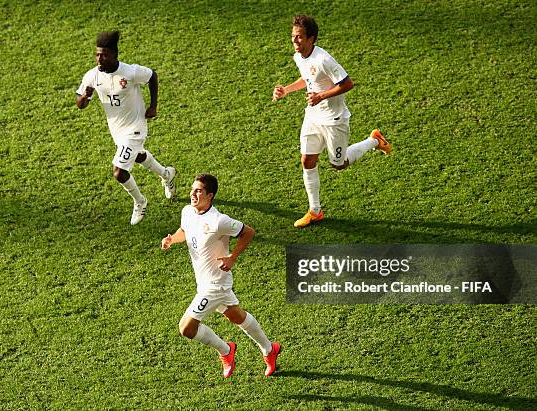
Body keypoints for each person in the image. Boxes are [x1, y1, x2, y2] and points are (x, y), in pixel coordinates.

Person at [273, 15, 391, 228]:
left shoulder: (324, 59)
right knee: (307, 160)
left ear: (312, 39)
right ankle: (315, 211)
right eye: (293, 37)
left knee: (339, 164)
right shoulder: (299, 57)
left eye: (300, 37)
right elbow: (308, 79)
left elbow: (347, 84)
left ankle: (374, 140)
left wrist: (321, 96)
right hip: (313, 117)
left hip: (334, 120)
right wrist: (286, 90)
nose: (295, 42)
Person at [161, 173, 281, 378]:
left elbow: (248, 232)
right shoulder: (188, 212)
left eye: (199, 191)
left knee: (186, 328)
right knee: (237, 316)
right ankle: (270, 349)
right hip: (205, 282)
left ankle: (226, 350)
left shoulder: (219, 221)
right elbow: (185, 230)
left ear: (210, 196)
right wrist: (172, 239)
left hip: (214, 285)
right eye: (192, 189)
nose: (193, 194)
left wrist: (233, 257)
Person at [76, 31, 177, 225]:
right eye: (97, 54)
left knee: (119, 171)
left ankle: (140, 201)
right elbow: (79, 105)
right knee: (137, 156)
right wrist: (85, 97)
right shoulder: (92, 76)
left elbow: (152, 76)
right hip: (117, 131)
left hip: (136, 127)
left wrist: (153, 105)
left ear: (114, 55)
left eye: (104, 55)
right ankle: (167, 174)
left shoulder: (130, 72)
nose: (99, 58)